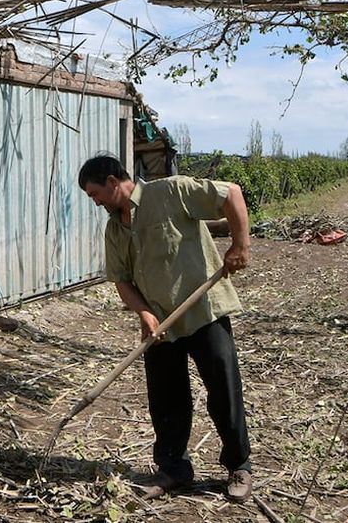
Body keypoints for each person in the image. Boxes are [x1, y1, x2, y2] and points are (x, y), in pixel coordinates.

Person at [78, 154, 253, 503]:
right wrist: (144, 313)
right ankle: (174, 470)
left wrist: (240, 244)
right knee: (166, 400)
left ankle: (239, 467)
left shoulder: (171, 192)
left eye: (95, 193)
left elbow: (231, 193)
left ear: (114, 182)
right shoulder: (115, 228)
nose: (95, 202)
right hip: (160, 325)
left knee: (223, 389)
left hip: (203, 311)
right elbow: (122, 280)